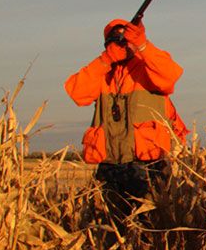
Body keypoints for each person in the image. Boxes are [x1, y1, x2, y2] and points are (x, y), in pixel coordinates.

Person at [64, 19, 189, 217]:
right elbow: (77, 92)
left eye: (126, 41)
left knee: (152, 227)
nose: (123, 46)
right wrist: (105, 60)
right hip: (110, 166)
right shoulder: (104, 73)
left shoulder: (148, 67)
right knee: (111, 230)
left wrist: (143, 45)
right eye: (117, 42)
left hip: (149, 165)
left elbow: (170, 75)